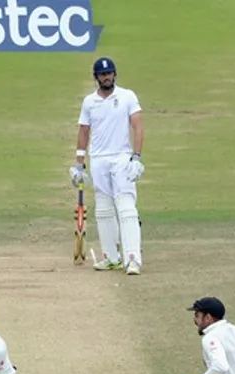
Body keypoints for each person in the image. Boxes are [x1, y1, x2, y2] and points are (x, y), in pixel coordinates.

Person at [70, 56, 145, 275]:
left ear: (114, 74)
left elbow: (138, 127)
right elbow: (84, 131)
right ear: (96, 77)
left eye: (110, 73)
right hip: (98, 159)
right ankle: (111, 256)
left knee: (126, 208)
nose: (107, 77)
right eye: (103, 74)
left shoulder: (127, 96)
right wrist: (79, 164)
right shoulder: (89, 102)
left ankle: (133, 259)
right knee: (103, 209)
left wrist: (137, 157)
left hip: (121, 157)